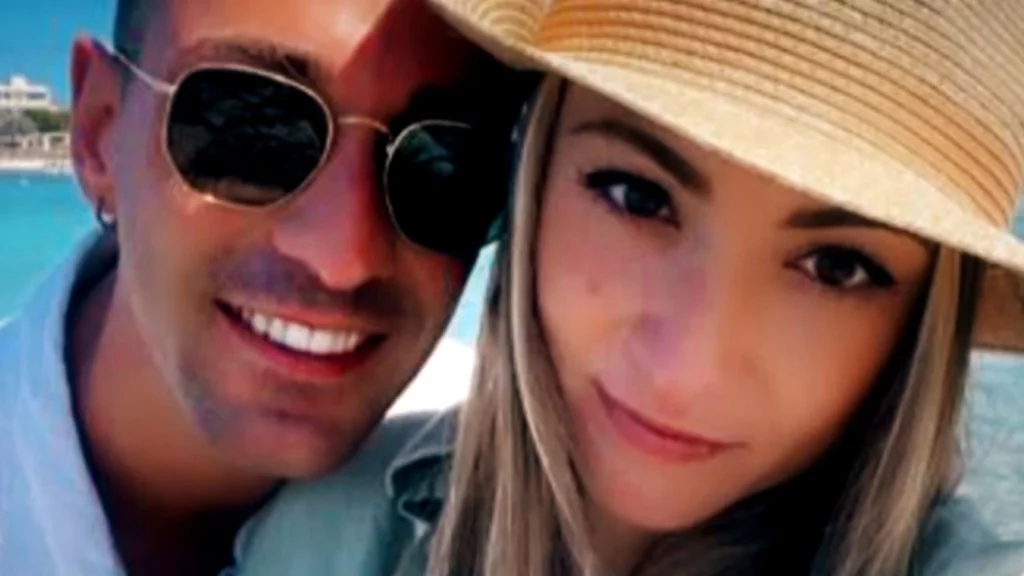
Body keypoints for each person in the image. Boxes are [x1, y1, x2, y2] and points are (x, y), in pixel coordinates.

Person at [230, 0, 1024, 575]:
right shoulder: (334, 533)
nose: (688, 366)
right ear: (533, 171)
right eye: (636, 195)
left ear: (921, 320)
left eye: (836, 267)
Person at [0, 0, 529, 574]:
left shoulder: (502, 496)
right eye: (253, 131)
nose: (345, 260)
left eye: (445, 166)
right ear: (99, 130)